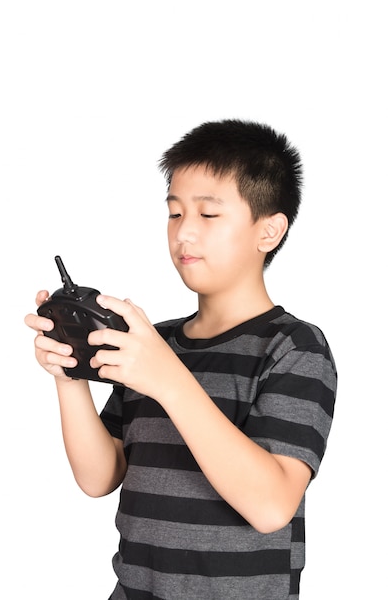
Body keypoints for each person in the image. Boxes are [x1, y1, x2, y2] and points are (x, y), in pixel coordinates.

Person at [25, 119, 337, 600]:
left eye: (208, 215)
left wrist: (168, 380)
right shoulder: (153, 343)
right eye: (174, 214)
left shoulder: (294, 348)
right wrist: (70, 378)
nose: (184, 233)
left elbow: (272, 505)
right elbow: (99, 476)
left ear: (269, 231)